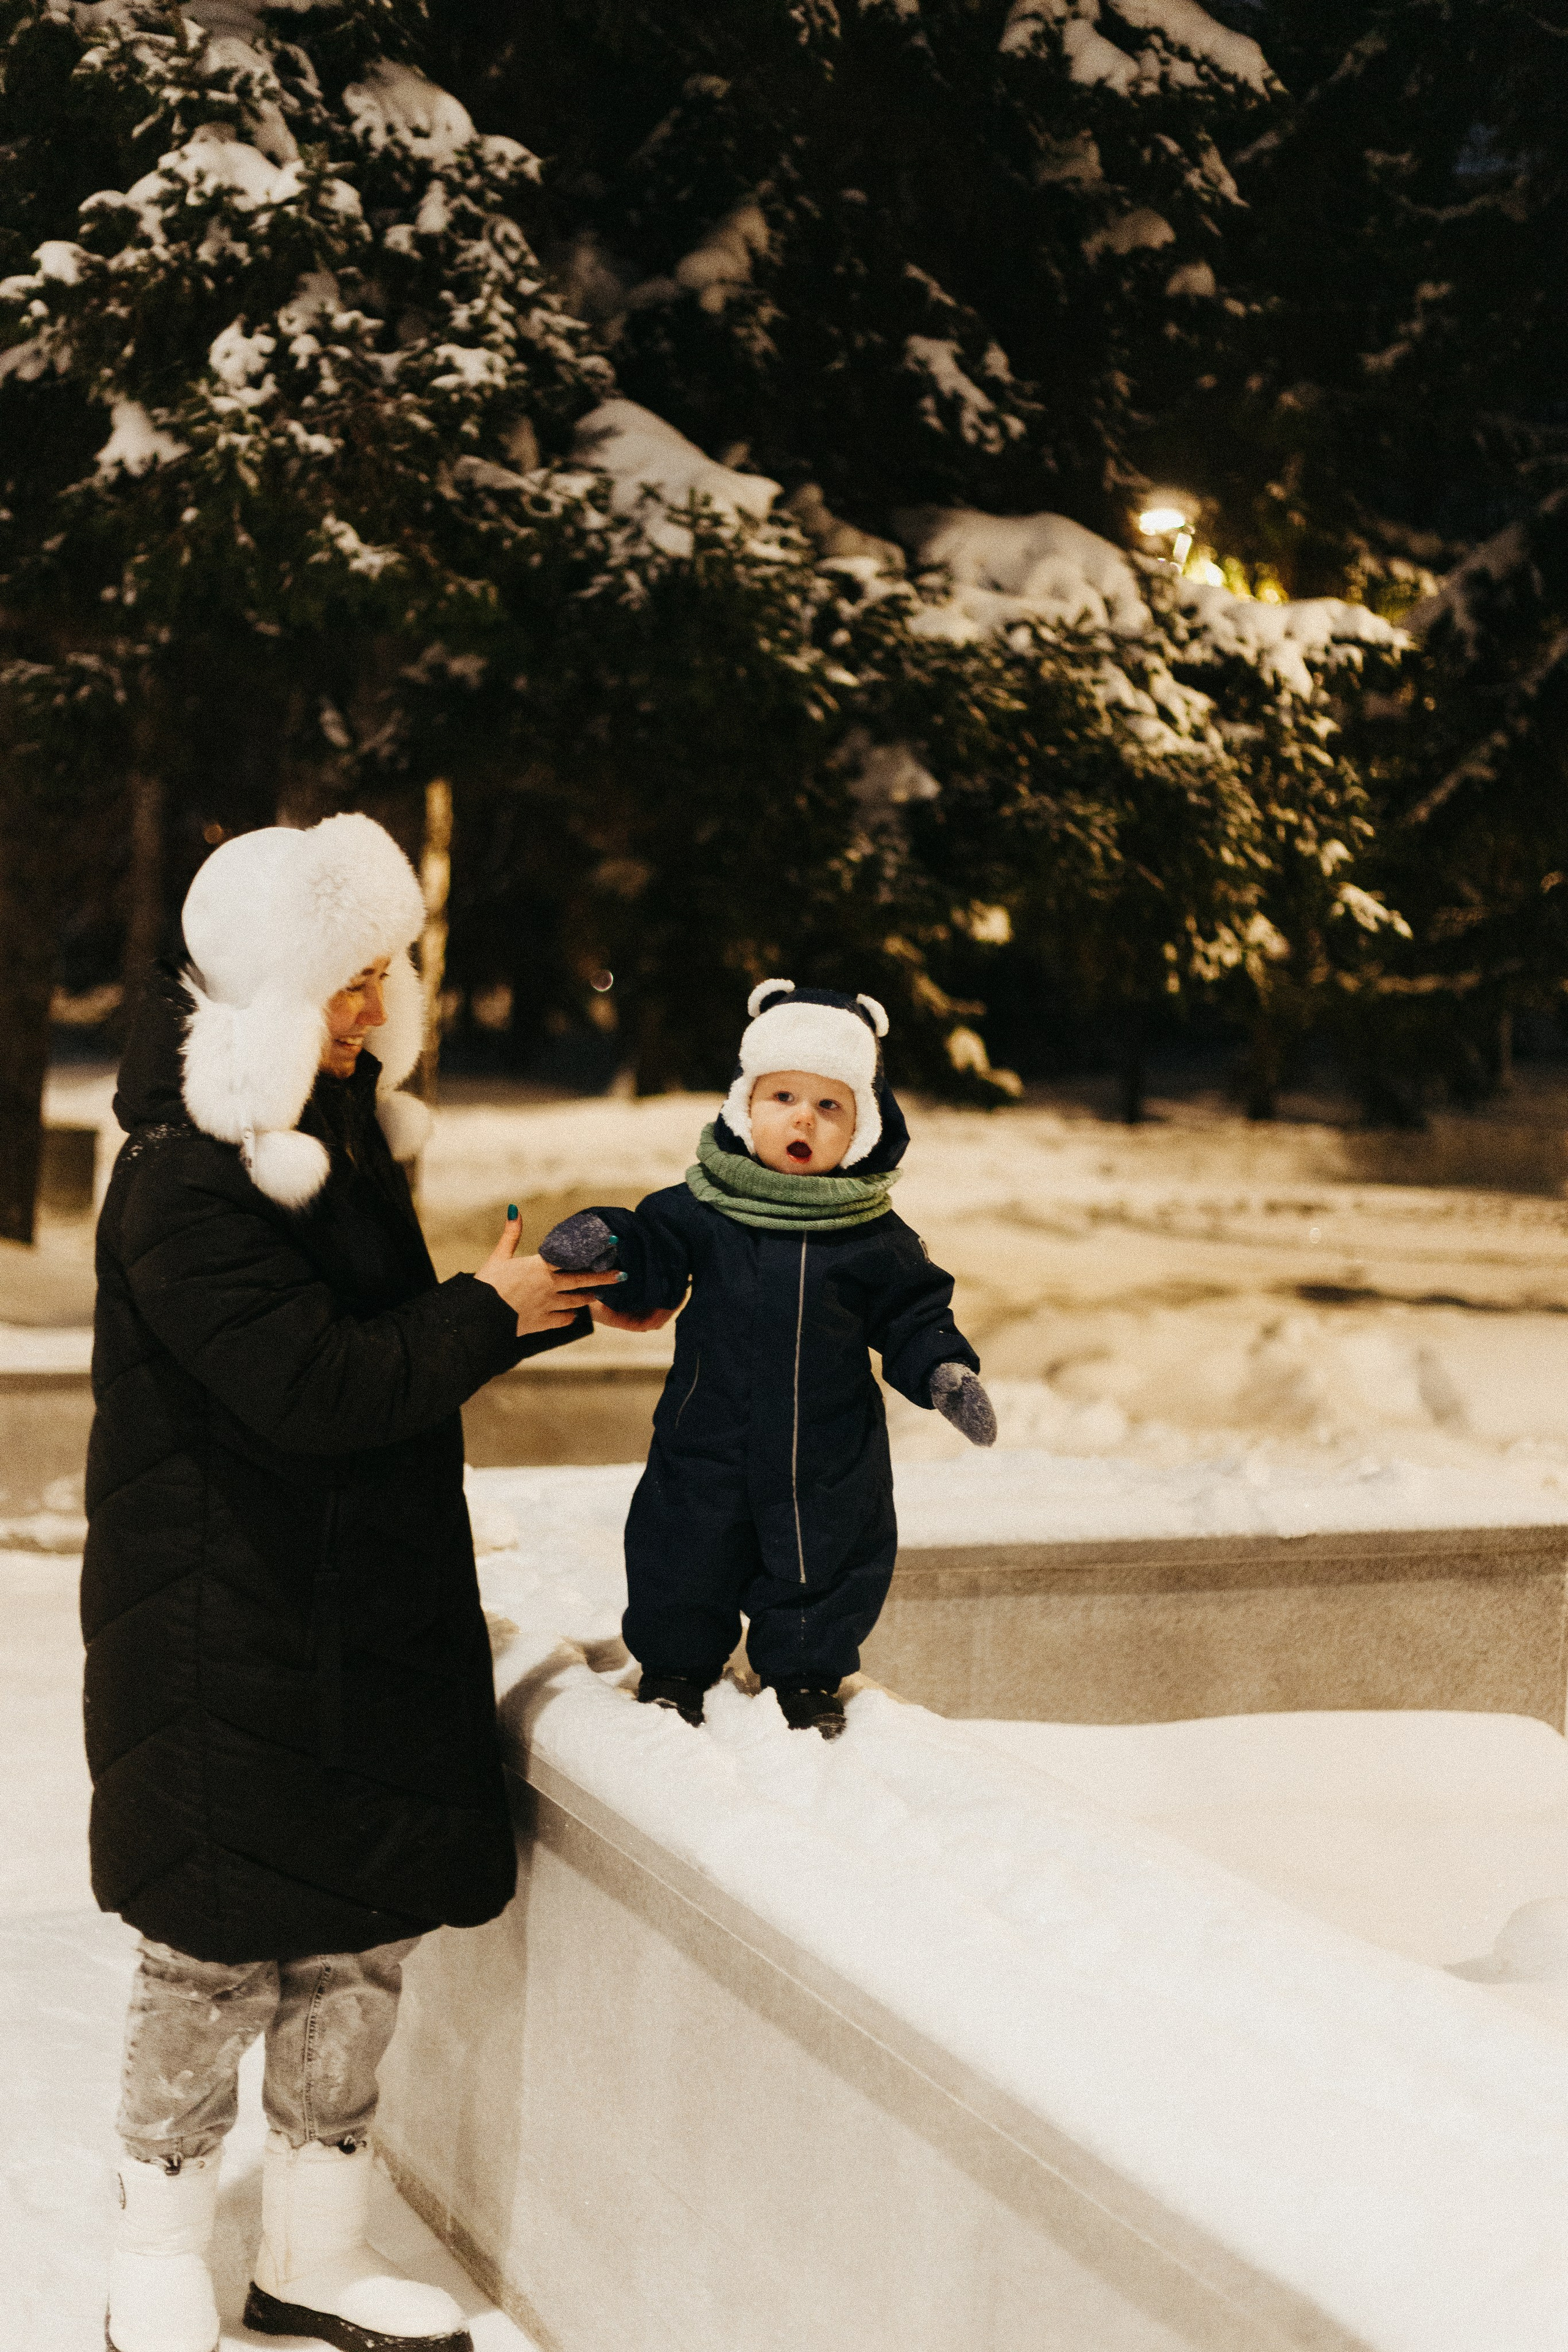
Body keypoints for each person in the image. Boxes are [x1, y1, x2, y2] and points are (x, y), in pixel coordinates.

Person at [85, 813, 619, 2352]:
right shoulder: (183, 1184)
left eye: (384, 973)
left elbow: (385, 1354)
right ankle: (158, 2245)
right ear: (271, 986)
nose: (378, 1010)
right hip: (219, 1633)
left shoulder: (329, 1143)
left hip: (348, 1621)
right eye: (351, 980)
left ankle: (313, 2247)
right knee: (209, 1952)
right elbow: (316, 1384)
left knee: (355, 1941)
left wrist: (535, 1304)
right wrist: (480, 1307)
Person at [540, 980, 995, 1739]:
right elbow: (650, 1247)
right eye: (782, 1096)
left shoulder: (872, 1235)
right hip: (705, 1437)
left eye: (829, 1107)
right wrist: (606, 1240)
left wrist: (943, 1372)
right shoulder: (703, 1209)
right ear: (744, 1106)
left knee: (827, 1562)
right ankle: (676, 1668)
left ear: (861, 1127)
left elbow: (914, 1313)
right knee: (682, 1551)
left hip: (826, 1450)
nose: (802, 1120)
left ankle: (807, 1676)